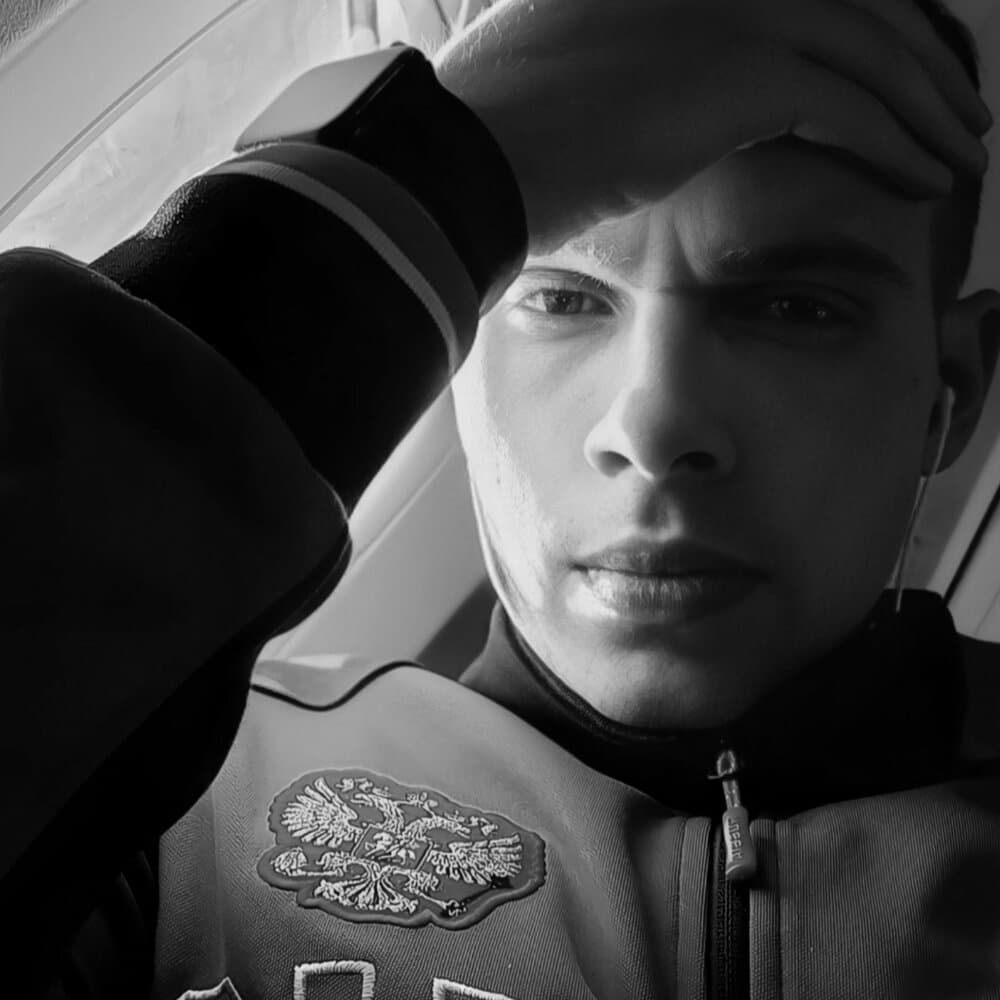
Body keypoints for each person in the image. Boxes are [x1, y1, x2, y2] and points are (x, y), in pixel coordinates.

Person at [2, 0, 999, 997]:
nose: (652, 427)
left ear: (950, 390)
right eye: (560, 299)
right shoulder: (176, 805)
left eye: (797, 308)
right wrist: (423, 166)